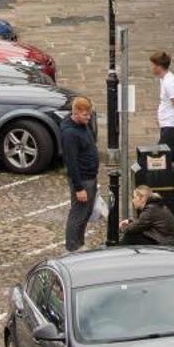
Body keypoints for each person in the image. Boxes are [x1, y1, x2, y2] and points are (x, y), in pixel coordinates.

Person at [61, 96, 99, 252]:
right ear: (75, 113)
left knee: (86, 212)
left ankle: (79, 243)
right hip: (82, 179)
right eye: (85, 115)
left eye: (89, 114)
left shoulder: (83, 124)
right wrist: (79, 188)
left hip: (90, 176)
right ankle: (72, 247)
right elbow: (71, 163)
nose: (89, 118)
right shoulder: (70, 134)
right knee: (78, 213)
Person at [151, 50, 174, 182]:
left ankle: (165, 193)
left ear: (158, 66)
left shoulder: (169, 82)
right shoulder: (165, 79)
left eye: (152, 65)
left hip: (173, 127)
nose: (151, 68)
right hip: (170, 126)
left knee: (159, 160)